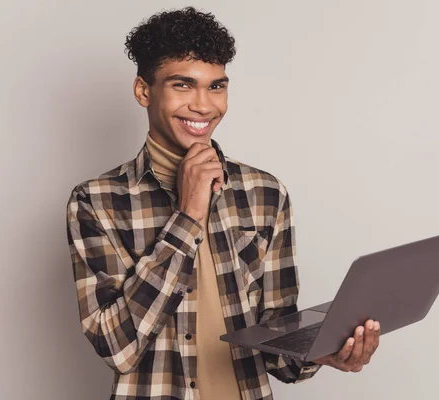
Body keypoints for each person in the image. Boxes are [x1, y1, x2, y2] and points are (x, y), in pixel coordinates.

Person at [65, 7, 380, 400]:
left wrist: (328, 352)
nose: (204, 105)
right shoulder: (97, 202)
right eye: (183, 85)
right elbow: (116, 346)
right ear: (144, 91)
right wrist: (188, 215)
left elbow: (277, 348)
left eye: (216, 86)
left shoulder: (265, 193)